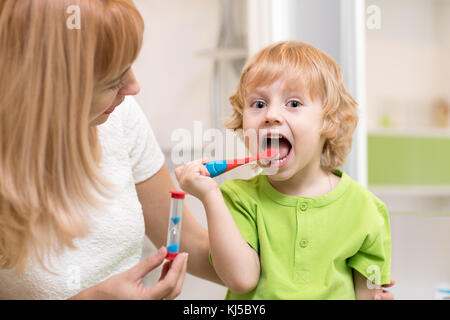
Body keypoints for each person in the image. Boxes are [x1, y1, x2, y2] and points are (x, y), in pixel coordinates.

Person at [0, 0, 220, 299]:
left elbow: (187, 241)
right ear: (52, 88)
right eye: (113, 80)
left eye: (128, 66)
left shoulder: (119, 115)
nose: (133, 87)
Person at [175, 41, 395, 299]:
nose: (271, 115)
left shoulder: (365, 209)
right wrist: (210, 196)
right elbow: (241, 279)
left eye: (293, 103)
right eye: (258, 104)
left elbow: (366, 292)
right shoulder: (237, 198)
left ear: (329, 122)